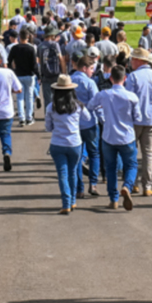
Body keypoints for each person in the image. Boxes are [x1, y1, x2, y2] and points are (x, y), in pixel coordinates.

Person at [87, 65, 140, 211]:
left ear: (110, 78)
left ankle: (113, 199)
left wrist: (102, 113)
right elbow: (138, 117)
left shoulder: (103, 94)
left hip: (109, 136)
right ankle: (127, 186)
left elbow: (90, 106)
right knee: (131, 165)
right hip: (127, 137)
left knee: (110, 168)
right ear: (125, 78)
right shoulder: (132, 97)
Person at [44, 74, 92, 214]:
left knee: (62, 174)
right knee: (72, 173)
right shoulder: (78, 106)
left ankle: (66, 203)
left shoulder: (51, 107)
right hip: (75, 144)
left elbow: (48, 127)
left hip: (57, 144)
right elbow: (88, 119)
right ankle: (72, 202)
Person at [125, 48, 152, 197]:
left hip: (134, 120)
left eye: (133, 59)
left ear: (140, 61)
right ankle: (147, 186)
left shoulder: (133, 77)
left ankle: (133, 183)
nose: (131, 61)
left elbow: (128, 99)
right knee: (148, 153)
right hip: (151, 119)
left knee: (132, 151)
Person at [70, 56, 101, 198]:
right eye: (91, 69)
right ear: (84, 68)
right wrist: (103, 120)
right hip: (89, 123)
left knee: (76, 156)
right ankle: (93, 184)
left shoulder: (69, 80)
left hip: (73, 124)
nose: (93, 72)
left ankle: (79, 188)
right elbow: (97, 103)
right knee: (94, 153)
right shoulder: (90, 83)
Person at [7, 28, 38, 127]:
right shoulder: (31, 48)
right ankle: (29, 118)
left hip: (18, 75)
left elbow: (9, 61)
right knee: (29, 97)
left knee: (20, 98)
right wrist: (38, 74)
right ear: (28, 37)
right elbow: (34, 64)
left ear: (19, 37)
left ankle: (21, 118)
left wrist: (12, 70)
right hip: (29, 75)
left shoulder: (15, 48)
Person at [38, 28, 66, 108]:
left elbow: (39, 61)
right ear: (51, 35)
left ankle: (48, 117)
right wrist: (64, 72)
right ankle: (57, 116)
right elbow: (61, 59)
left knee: (47, 99)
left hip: (45, 75)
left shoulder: (40, 46)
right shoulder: (55, 44)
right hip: (56, 74)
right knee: (58, 97)